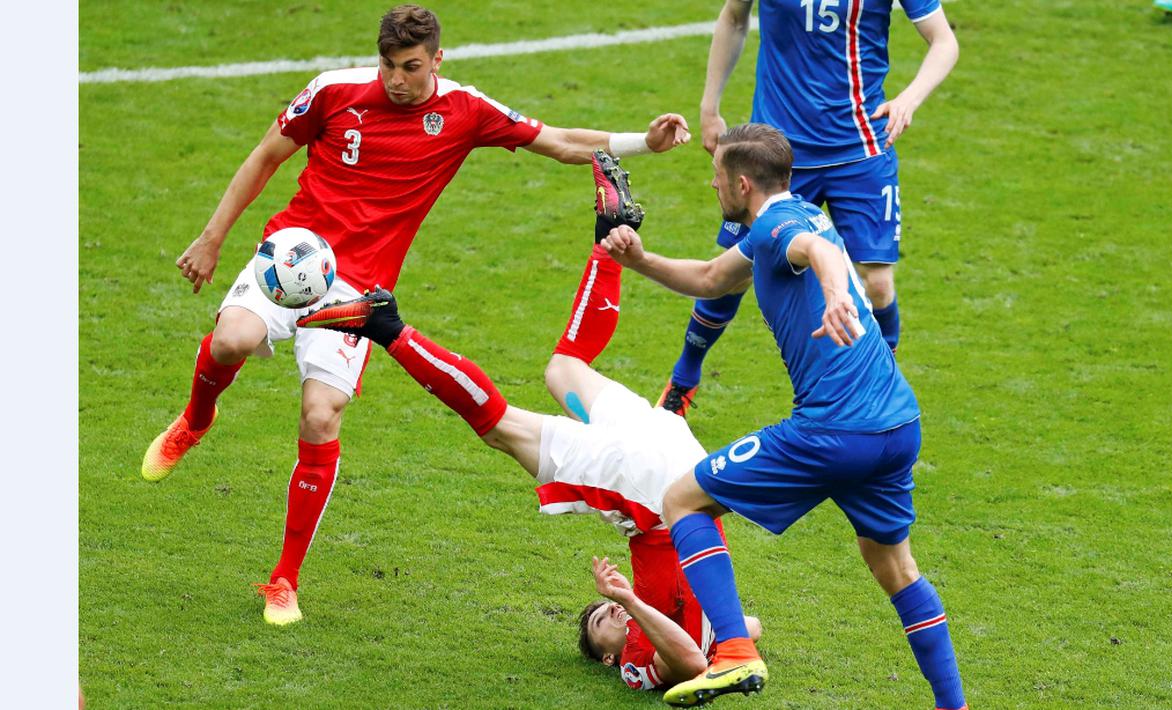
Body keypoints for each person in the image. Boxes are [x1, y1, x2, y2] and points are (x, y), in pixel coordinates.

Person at [139, 3, 691, 626]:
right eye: (388, 65)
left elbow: (559, 142)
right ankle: (195, 419)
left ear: (436, 60)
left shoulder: (462, 110)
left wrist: (642, 143)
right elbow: (266, 155)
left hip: (358, 286)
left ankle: (284, 579)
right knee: (230, 340)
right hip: (296, 252)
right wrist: (212, 238)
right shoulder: (334, 91)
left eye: (409, 67)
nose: (396, 79)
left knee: (321, 415)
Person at [296, 152, 759, 691]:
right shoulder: (643, 663)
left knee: (564, 369)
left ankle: (610, 237)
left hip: (674, 455)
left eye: (596, 623)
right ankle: (387, 326)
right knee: (501, 428)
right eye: (599, 626)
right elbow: (693, 665)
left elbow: (744, 626)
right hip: (652, 490)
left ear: (606, 660)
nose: (605, 619)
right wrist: (633, 601)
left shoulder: (657, 644)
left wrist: (658, 608)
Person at [601, 124, 965, 708]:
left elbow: (814, 251)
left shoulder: (778, 225)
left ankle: (736, 654)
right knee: (895, 568)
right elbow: (712, 278)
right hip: (897, 426)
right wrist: (639, 259)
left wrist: (838, 292)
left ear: (742, 183)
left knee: (682, 501)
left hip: (833, 430)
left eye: (717, 177)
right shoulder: (786, 219)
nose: (712, 184)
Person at [656, 0, 959, 416]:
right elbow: (733, 16)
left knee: (879, 284)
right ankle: (683, 380)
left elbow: (944, 41)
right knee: (733, 273)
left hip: (861, 149)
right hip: (778, 151)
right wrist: (710, 105)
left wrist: (908, 99)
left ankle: (879, 391)